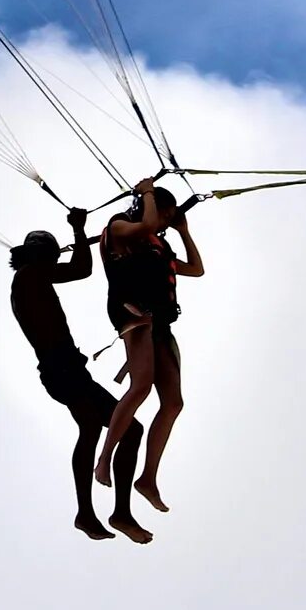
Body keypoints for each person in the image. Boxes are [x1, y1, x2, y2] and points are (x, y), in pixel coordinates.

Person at [8, 209, 150, 542]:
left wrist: (78, 235)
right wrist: (78, 230)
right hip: (63, 371)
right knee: (130, 428)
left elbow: (78, 268)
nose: (51, 257)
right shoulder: (28, 276)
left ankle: (87, 514)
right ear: (36, 255)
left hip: (64, 372)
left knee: (91, 428)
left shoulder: (32, 276)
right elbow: (83, 269)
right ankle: (117, 513)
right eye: (47, 251)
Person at [94, 182, 203, 512]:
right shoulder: (119, 227)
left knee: (173, 403)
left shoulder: (159, 247)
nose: (166, 223)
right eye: (166, 217)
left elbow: (196, 270)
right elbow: (147, 224)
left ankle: (148, 478)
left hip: (160, 324)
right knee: (140, 386)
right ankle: (104, 458)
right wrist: (149, 192)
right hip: (134, 314)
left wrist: (184, 232)